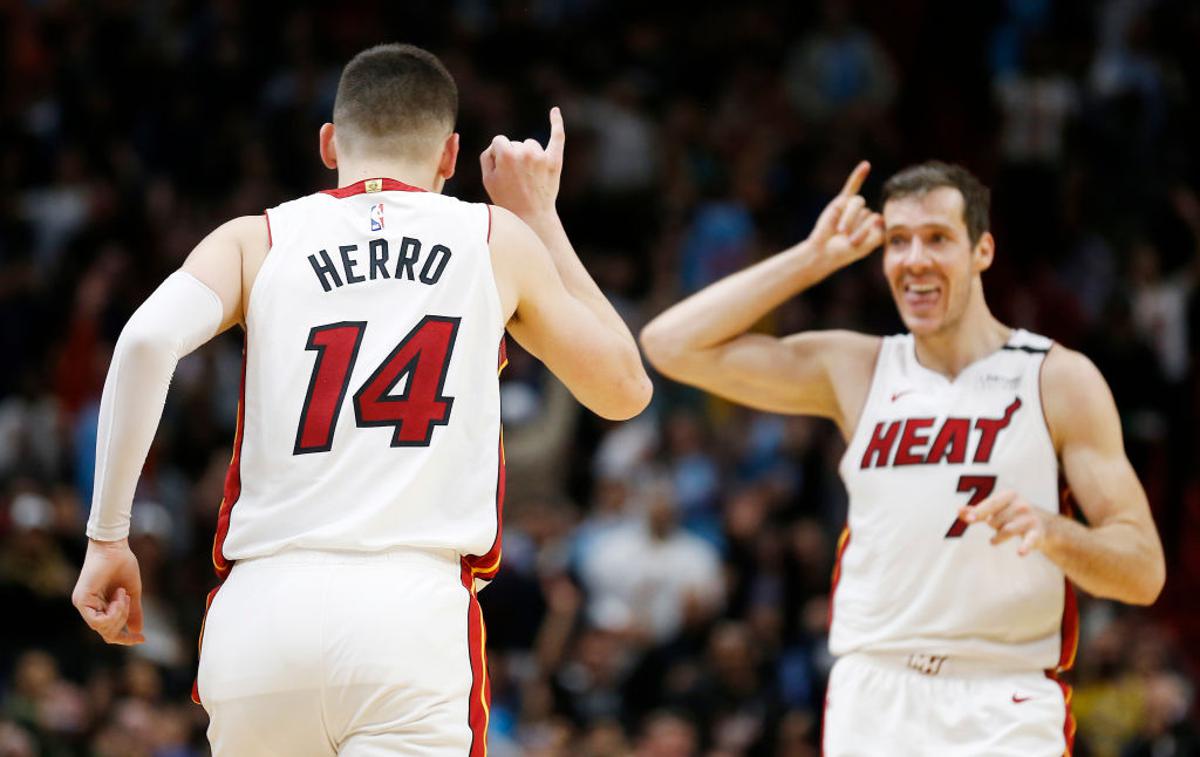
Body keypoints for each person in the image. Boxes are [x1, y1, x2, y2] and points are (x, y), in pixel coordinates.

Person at [71, 43, 651, 755]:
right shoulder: (493, 238)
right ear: (450, 155)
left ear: (328, 143)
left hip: (261, 616)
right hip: (406, 614)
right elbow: (625, 389)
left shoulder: (257, 238)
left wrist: (107, 537)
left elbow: (142, 344)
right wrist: (540, 214)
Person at [640, 160, 1165, 756]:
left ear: (983, 251)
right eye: (897, 242)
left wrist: (1054, 532)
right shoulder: (857, 368)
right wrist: (812, 257)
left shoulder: (1057, 378)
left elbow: (1143, 570)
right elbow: (669, 345)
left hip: (1003, 697)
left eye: (937, 238)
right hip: (874, 691)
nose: (914, 259)